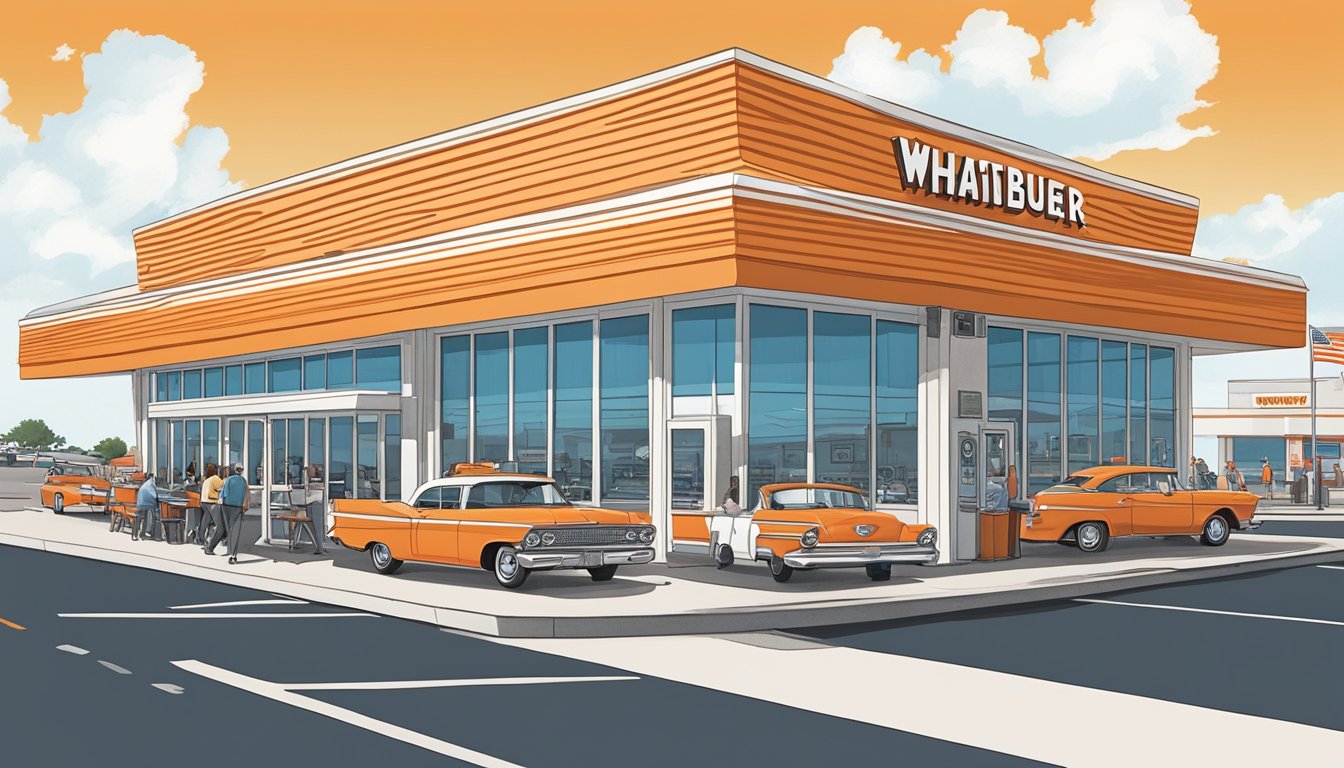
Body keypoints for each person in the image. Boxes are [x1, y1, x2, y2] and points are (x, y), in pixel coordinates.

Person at [209, 463, 249, 564]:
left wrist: (218, 502)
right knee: (233, 529)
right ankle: (232, 554)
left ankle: (213, 547)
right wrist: (245, 505)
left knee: (223, 527)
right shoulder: (244, 481)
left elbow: (224, 494)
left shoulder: (229, 480)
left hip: (226, 506)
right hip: (238, 507)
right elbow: (247, 494)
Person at [195, 463, 224, 547]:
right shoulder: (215, 478)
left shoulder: (206, 480)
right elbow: (222, 486)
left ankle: (200, 539)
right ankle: (215, 541)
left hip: (204, 502)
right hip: (211, 502)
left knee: (205, 521)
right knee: (219, 524)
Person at [134, 473, 160, 542]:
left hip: (140, 503)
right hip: (145, 504)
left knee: (144, 517)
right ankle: (148, 533)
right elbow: (155, 496)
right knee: (153, 513)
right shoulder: (151, 483)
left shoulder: (147, 483)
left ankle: (139, 534)